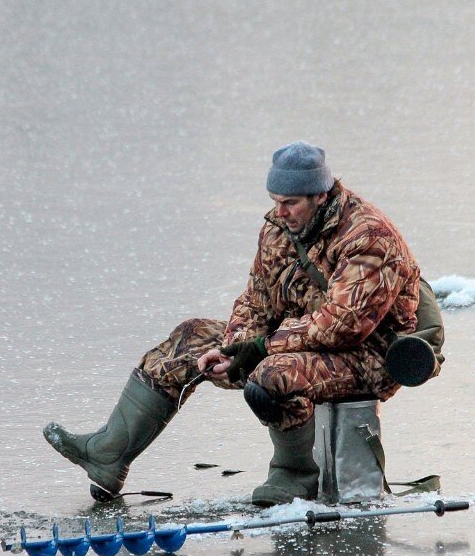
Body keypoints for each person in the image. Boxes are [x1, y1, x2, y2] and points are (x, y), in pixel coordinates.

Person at [44, 141, 439, 506]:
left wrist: (262, 349)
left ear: (321, 195)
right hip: (298, 341)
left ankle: (295, 474)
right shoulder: (279, 229)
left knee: (272, 375)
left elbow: (342, 326)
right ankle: (108, 456)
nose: (280, 212)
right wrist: (234, 345)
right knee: (189, 338)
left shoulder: (368, 236)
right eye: (275, 201)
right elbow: (256, 301)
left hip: (370, 356)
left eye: (290, 202)